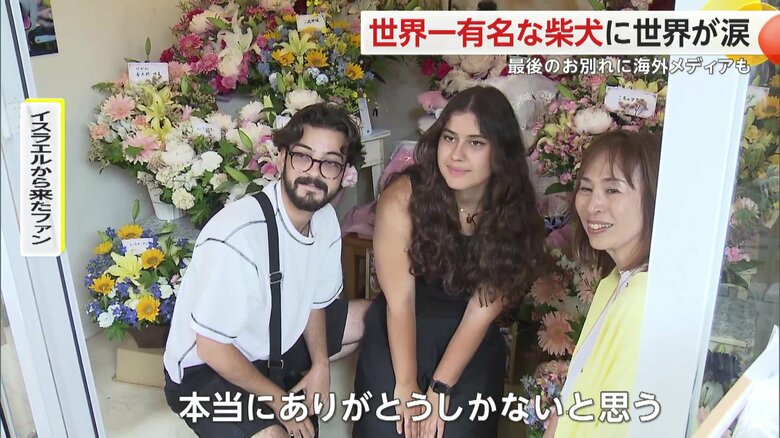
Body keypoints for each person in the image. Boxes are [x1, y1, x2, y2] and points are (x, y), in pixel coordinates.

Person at [163, 103, 371, 438]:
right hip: (206, 369)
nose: (314, 173)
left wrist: (321, 365)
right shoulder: (238, 235)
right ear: (283, 157)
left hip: (274, 347)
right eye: (303, 157)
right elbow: (212, 348)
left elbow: (315, 302)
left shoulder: (325, 220)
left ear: (343, 171)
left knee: (375, 317)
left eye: (330, 163)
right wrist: (281, 402)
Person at [353, 86, 550, 438]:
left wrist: (440, 388)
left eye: (475, 143)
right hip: (401, 327)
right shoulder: (403, 197)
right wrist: (407, 386)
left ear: (500, 152)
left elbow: (480, 313)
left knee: (455, 430)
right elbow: (400, 302)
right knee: (387, 427)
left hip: (467, 337)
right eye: (449, 138)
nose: (456, 155)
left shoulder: (515, 214)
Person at [544, 130, 662, 437]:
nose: (593, 205)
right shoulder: (615, 280)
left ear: (653, 198)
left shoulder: (645, 301)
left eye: (612, 190)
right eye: (586, 188)